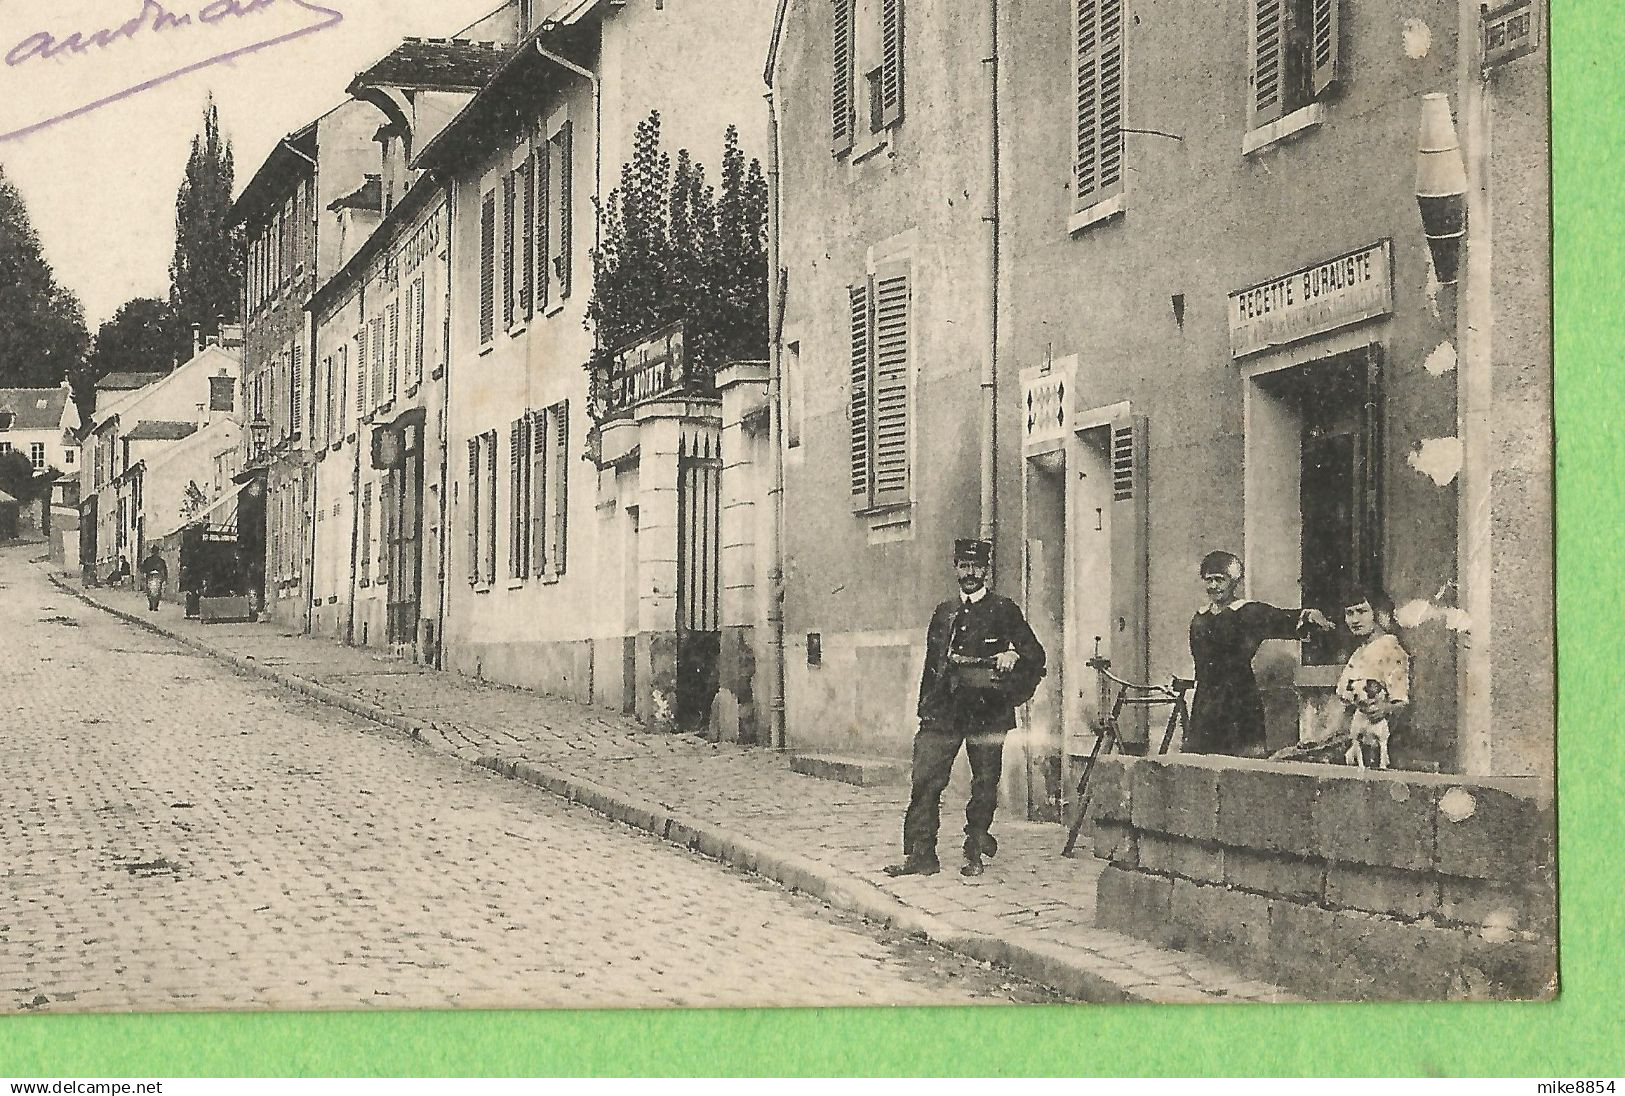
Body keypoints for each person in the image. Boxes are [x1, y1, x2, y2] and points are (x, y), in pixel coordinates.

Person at [884, 538, 1046, 879]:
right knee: (925, 779)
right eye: (963, 566)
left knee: (984, 783)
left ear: (986, 570)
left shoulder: (1004, 610)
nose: (969, 573)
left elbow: (1036, 655)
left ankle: (974, 849)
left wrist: (1013, 655)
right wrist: (925, 710)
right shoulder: (943, 612)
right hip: (944, 709)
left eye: (975, 567)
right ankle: (920, 855)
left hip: (987, 710)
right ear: (955, 568)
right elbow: (932, 666)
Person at [1186, 550, 1332, 757]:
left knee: (1241, 760)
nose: (1213, 586)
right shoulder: (1200, 619)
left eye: (1220, 580)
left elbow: (1281, 618)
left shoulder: (1248, 612)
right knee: (1202, 759)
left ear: (1234, 581)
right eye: (1208, 580)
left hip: (1239, 697)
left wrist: (1308, 615)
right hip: (1206, 699)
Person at [1334, 588, 1409, 769]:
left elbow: (1401, 701)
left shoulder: (1389, 647)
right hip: (1351, 741)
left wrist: (1384, 708)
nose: (1355, 620)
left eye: (1362, 611)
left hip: (1376, 747)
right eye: (1349, 613)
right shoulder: (1359, 652)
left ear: (1378, 614)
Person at [139, 547, 169, 613]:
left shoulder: (148, 560)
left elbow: (142, 568)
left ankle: (151, 605)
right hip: (157, 576)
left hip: (150, 576)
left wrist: (144, 573)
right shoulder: (161, 560)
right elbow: (165, 570)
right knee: (157, 592)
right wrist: (165, 578)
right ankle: (155, 606)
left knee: (150, 591)